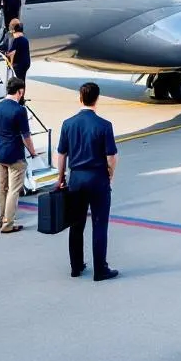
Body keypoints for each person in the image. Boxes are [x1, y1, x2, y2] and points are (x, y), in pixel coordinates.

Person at [56, 82, 119, 281]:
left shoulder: (68, 124)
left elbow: (61, 154)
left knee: (76, 225)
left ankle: (76, 266)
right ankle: (100, 269)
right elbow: (111, 157)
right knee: (100, 224)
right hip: (97, 178)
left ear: (80, 98)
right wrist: (110, 174)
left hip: (76, 178)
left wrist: (61, 178)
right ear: (97, 99)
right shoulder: (104, 125)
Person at [0, 77, 38, 233]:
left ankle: (1, 218)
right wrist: (33, 152)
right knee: (13, 190)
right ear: (20, 91)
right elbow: (26, 135)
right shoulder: (19, 110)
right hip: (15, 155)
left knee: (1, 188)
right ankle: (8, 224)